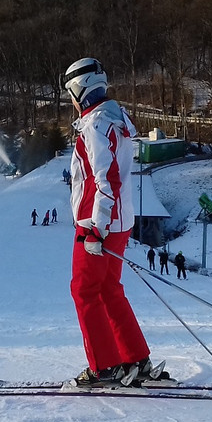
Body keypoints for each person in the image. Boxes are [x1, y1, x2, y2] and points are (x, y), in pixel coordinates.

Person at [63, 57, 168, 387]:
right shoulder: (114, 117)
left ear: (78, 90)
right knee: (109, 289)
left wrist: (96, 227)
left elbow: (105, 178)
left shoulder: (95, 124)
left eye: (70, 93)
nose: (71, 100)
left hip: (98, 223)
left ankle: (104, 367)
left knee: (84, 291)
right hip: (119, 221)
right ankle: (134, 358)